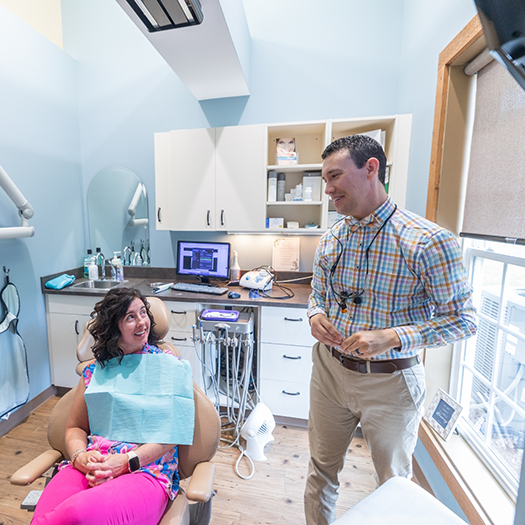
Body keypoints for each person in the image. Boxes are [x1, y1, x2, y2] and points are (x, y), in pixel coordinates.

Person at [304, 135, 477, 525]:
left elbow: (464, 320)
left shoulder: (430, 241)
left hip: (391, 383)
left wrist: (394, 336)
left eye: (334, 176)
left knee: (394, 487)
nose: (328, 189)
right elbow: (317, 294)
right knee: (320, 471)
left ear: (371, 169)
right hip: (329, 373)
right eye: (324, 178)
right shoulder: (332, 237)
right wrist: (315, 316)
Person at [32, 287, 192, 525]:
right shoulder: (94, 372)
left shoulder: (171, 366)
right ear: (113, 327)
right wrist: (79, 456)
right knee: (44, 518)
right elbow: (75, 428)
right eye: (130, 317)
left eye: (143, 313)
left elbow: (174, 433)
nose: (142, 322)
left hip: (144, 470)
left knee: (73, 515)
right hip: (93, 464)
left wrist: (127, 461)